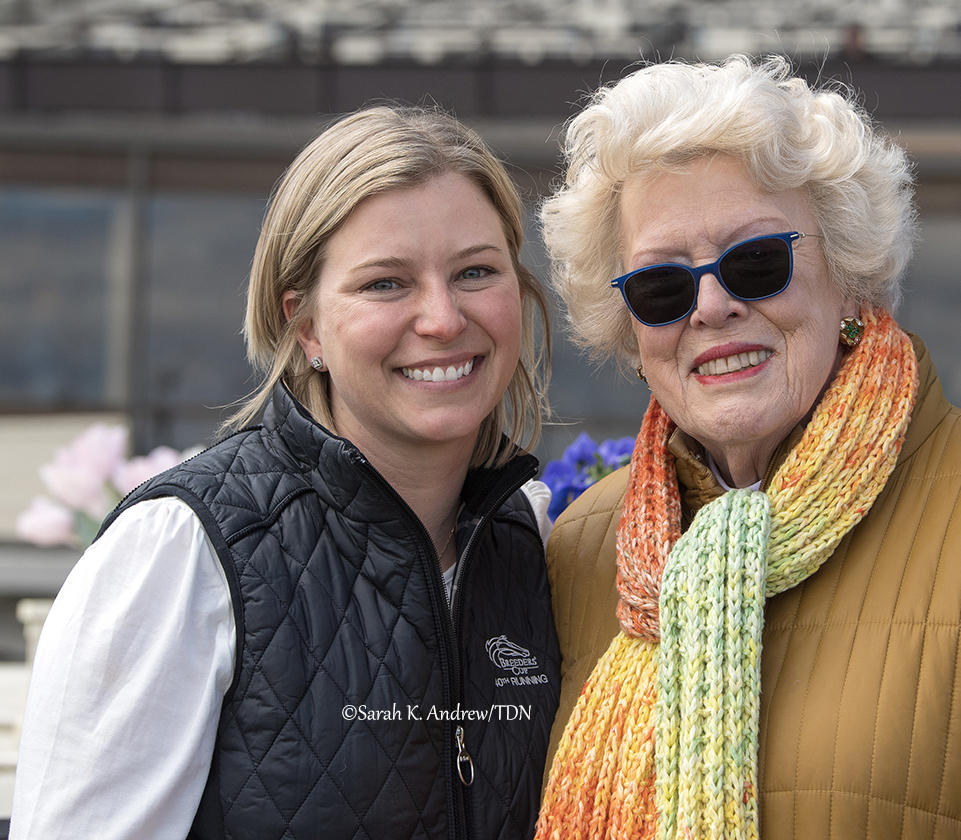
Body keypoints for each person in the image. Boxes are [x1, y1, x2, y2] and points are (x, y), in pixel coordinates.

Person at [533, 56, 961, 839]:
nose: (713, 305)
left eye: (756, 262)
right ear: (630, 325)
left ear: (846, 272)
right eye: (662, 286)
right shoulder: (587, 548)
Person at [11, 105, 560, 840]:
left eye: (475, 272)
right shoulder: (182, 552)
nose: (441, 317)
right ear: (305, 328)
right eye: (385, 284)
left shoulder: (534, 536)